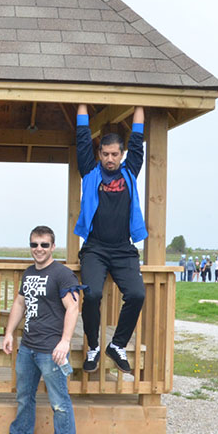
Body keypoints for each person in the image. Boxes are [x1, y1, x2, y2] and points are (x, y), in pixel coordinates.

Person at [0, 226, 82, 434]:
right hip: (28, 346)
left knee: (59, 402)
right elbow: (20, 303)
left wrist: (65, 342)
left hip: (51, 350)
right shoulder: (29, 272)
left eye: (44, 244)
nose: (38, 249)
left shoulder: (62, 274)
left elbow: (73, 309)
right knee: (24, 397)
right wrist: (9, 333)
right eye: (34, 244)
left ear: (53, 247)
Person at [73, 103, 146, 375]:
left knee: (137, 294)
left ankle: (117, 345)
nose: (110, 159)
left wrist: (139, 104)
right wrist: (82, 104)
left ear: (121, 154)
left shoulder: (129, 172)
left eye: (115, 154)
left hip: (124, 250)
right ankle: (93, 346)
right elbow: (82, 138)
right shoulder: (91, 173)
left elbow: (137, 139)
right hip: (95, 249)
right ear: (99, 154)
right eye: (105, 154)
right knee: (91, 295)